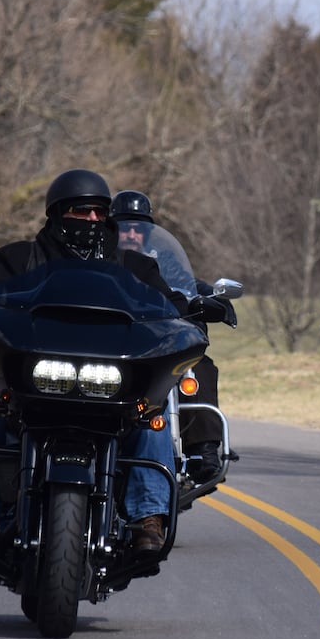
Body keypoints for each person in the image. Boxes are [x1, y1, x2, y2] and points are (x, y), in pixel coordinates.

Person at [0, 170, 178, 555]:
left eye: (101, 213)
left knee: (153, 412)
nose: (94, 221)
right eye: (83, 212)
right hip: (31, 382)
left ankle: (148, 517)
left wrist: (198, 310)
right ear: (58, 213)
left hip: (111, 383)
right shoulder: (17, 260)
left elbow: (170, 309)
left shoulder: (135, 268)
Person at [113, 189, 229, 480]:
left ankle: (203, 448)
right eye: (124, 227)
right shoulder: (101, 258)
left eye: (138, 228)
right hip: (114, 342)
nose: (131, 234)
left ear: (148, 231)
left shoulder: (162, 259)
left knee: (197, 365)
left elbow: (184, 283)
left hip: (155, 339)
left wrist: (208, 297)